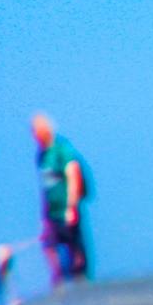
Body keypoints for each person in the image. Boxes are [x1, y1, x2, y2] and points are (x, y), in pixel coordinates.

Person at [32, 114, 92, 288]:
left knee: (75, 247)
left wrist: (71, 206)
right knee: (50, 246)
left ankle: (81, 282)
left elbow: (73, 176)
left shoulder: (61, 150)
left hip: (67, 209)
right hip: (52, 211)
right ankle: (59, 280)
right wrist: (43, 217)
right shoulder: (41, 155)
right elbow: (44, 187)